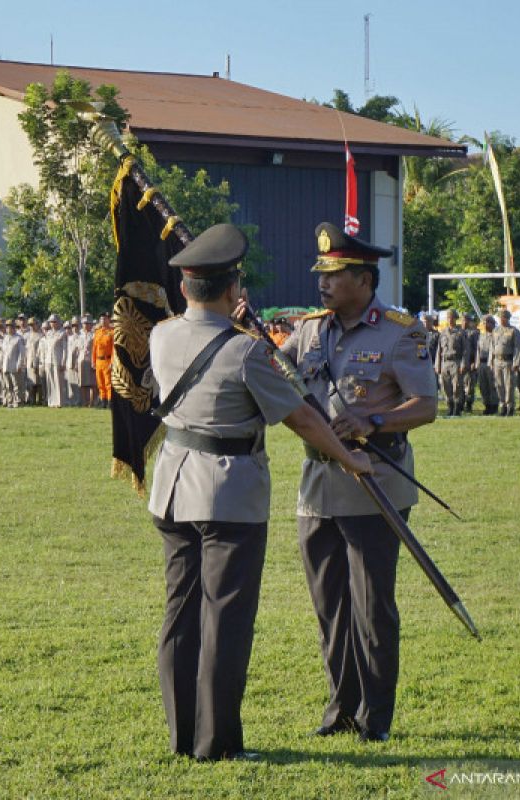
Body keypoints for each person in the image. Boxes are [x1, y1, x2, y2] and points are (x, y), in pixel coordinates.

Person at [151, 223, 373, 761]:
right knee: (225, 621)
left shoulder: (162, 335)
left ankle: (184, 738)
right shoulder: (246, 353)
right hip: (227, 495)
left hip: (174, 486)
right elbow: (300, 418)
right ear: (234, 292)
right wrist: (350, 458)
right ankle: (219, 745)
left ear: (184, 288)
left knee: (180, 616)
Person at [279, 222, 437, 744]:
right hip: (317, 486)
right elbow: (287, 384)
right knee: (330, 609)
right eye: (321, 274)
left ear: (364, 280)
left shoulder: (399, 331)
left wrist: (374, 423)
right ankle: (341, 708)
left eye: (335, 274)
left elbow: (427, 406)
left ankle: (376, 717)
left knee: (372, 610)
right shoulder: (308, 330)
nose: (323, 284)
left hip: (375, 486)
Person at [434, 309, 467, 417]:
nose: (450, 319)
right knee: (445, 386)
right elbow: (439, 350)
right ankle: (450, 406)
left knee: (457, 386)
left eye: (452, 317)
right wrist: (437, 365)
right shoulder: (443, 332)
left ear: (455, 319)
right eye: (448, 318)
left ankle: (457, 408)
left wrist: (463, 364)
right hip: (445, 362)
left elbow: (466, 350)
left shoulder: (461, 332)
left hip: (456, 361)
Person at [489, 309, 520, 416]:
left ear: (508, 318)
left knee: (509, 385)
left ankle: (510, 406)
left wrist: (516, 362)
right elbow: (492, 347)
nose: (502, 319)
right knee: (499, 385)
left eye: (504, 317)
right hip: (497, 360)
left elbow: (517, 348)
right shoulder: (495, 331)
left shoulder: (513, 331)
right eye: (501, 317)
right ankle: (502, 406)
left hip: (508, 361)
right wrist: (491, 361)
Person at [92, 313, 114, 409]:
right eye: (101, 319)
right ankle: (103, 401)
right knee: (100, 383)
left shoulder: (112, 332)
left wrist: (112, 362)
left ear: (108, 320)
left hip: (107, 360)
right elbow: (94, 348)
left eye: (105, 319)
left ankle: (109, 402)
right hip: (98, 361)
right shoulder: (97, 332)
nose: (103, 321)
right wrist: (93, 361)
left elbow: (114, 349)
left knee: (108, 383)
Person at [461, 312, 480, 413]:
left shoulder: (474, 333)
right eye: (463, 320)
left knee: (469, 386)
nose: (465, 322)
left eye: (467, 320)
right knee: (460, 385)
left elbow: (477, 349)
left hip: (470, 363)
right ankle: (460, 403)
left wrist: (474, 362)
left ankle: (468, 404)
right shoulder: (458, 332)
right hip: (459, 364)